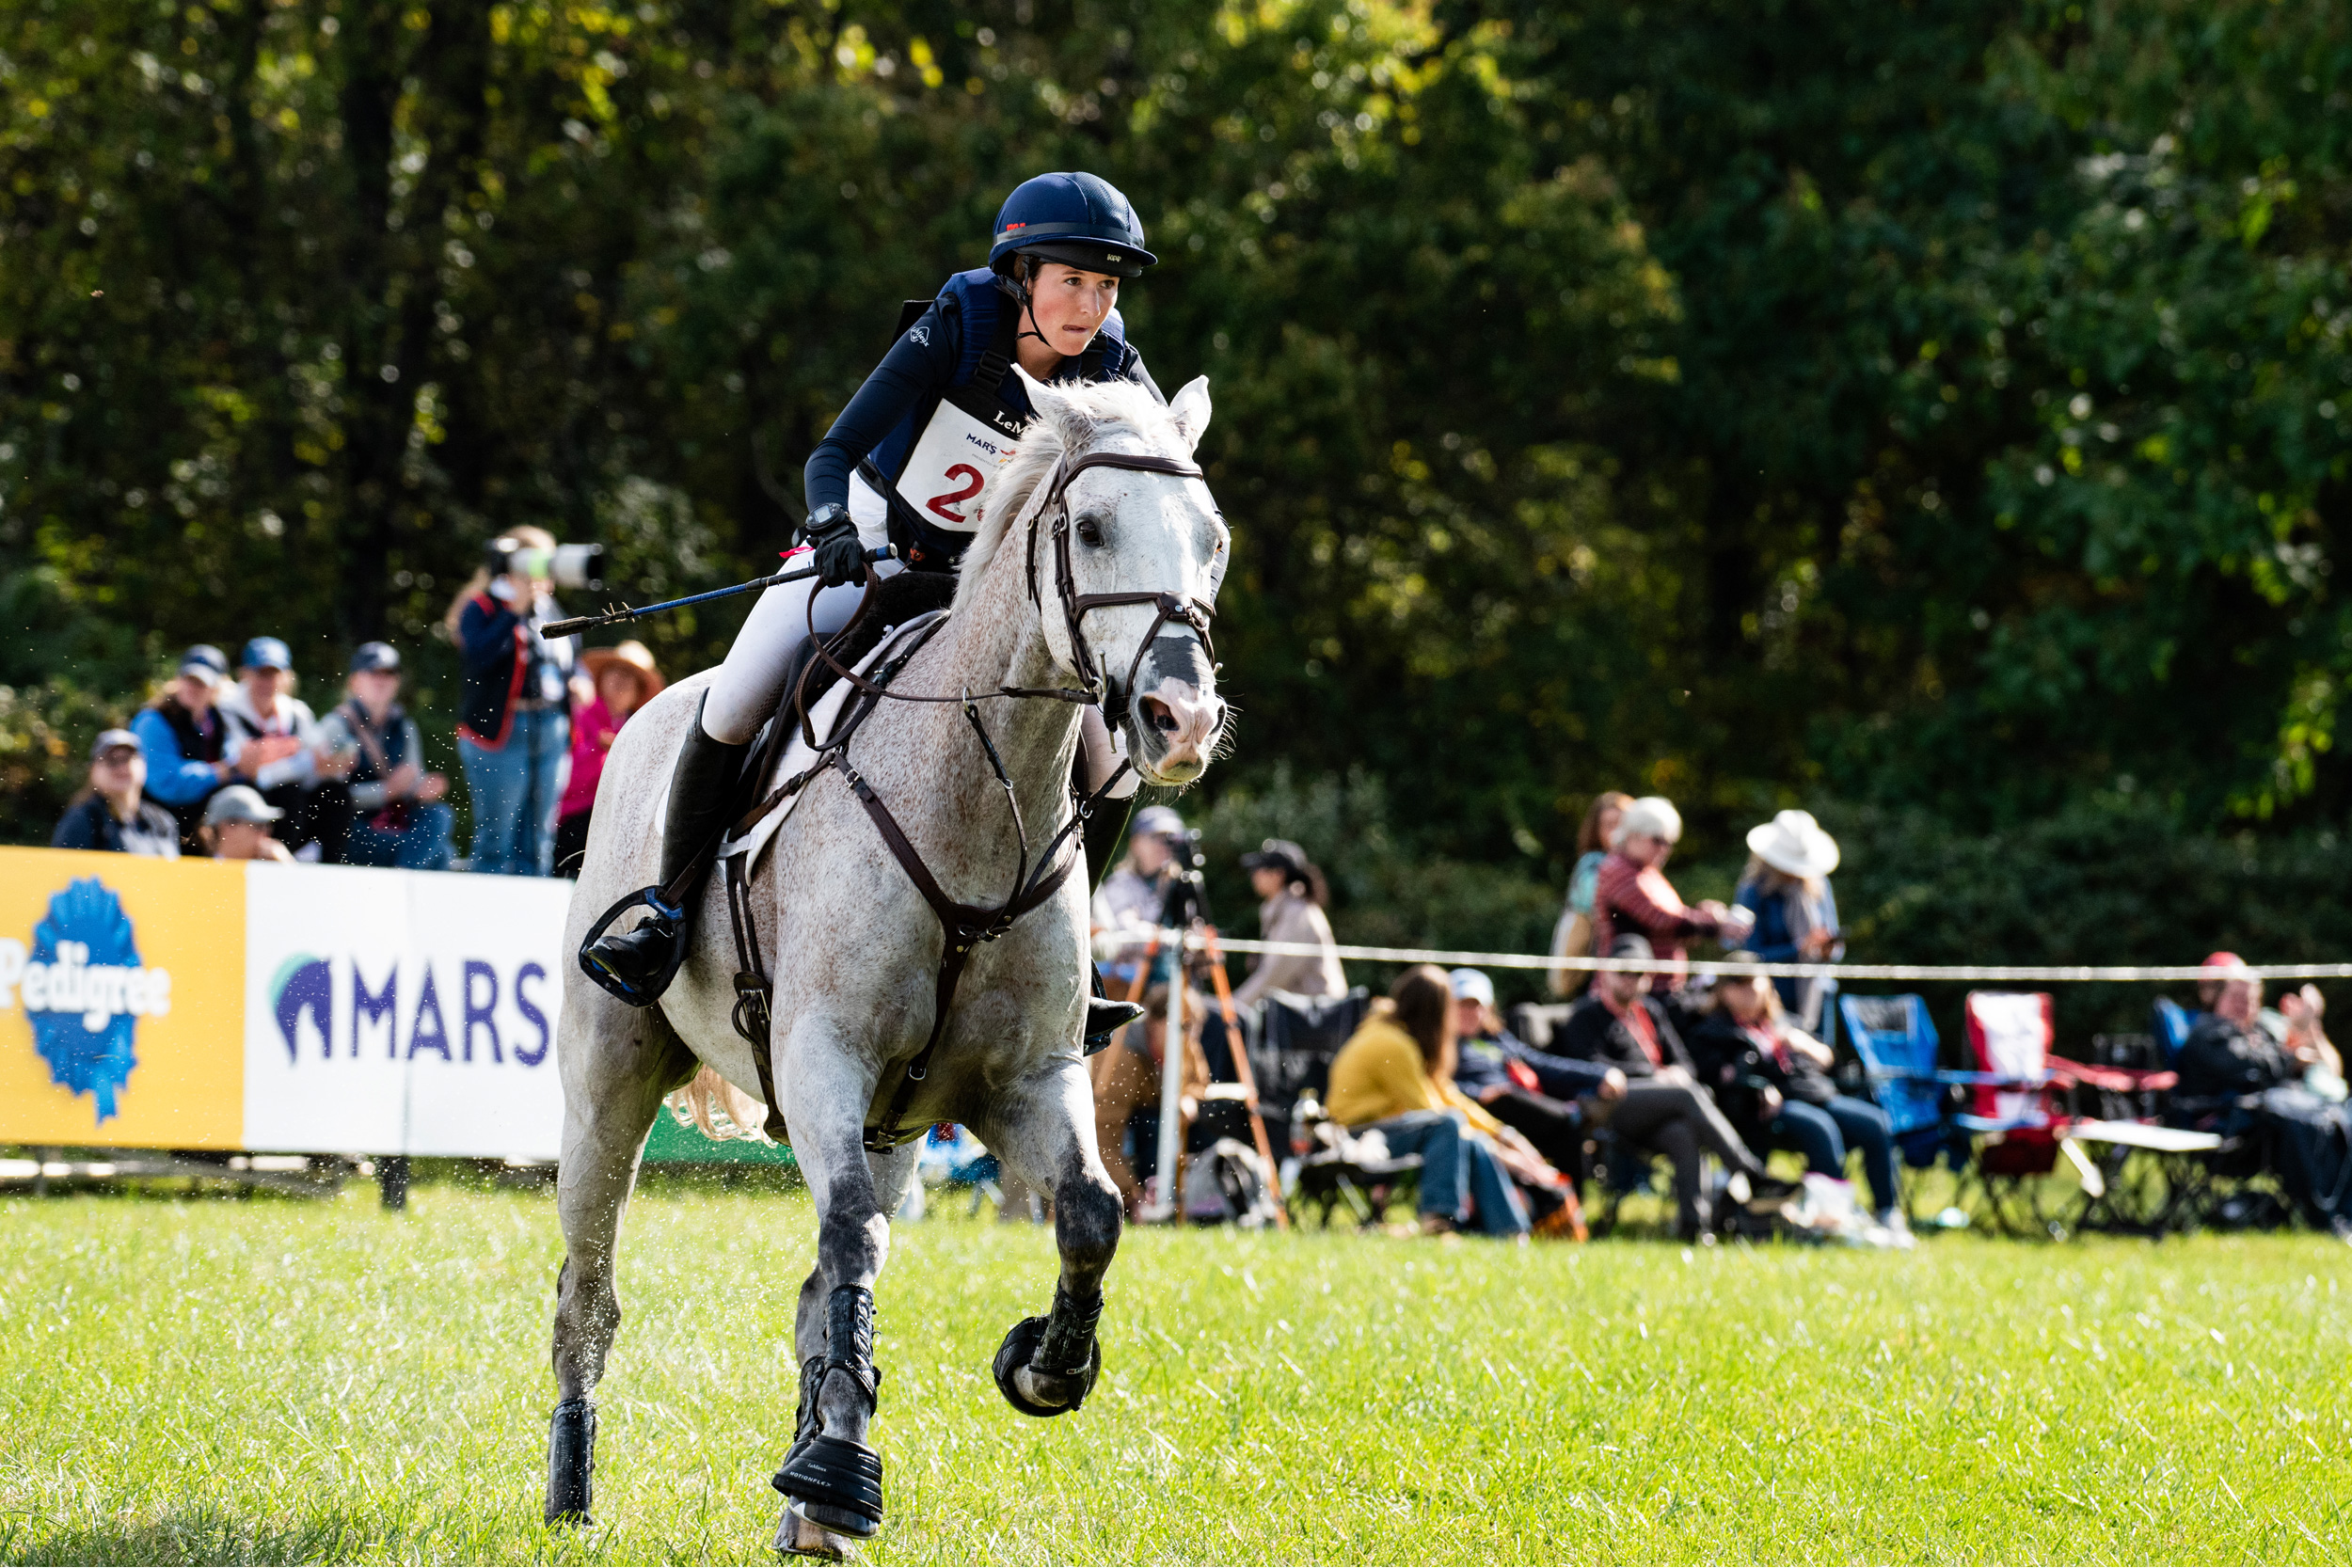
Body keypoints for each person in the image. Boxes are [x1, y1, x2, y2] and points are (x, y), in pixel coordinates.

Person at [581, 171, 1170, 1047]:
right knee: (738, 695)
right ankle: (665, 912)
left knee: (1117, 760)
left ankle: (1068, 966)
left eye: (1106, 286)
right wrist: (829, 529)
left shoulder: (1113, 366)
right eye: (1073, 281)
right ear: (1021, 274)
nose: (1090, 306)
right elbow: (834, 452)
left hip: (992, 586)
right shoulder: (962, 323)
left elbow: (1158, 481)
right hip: (879, 535)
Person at [1557, 935, 1786, 1239]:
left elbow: (1685, 1064)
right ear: (1605, 973)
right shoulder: (1586, 1014)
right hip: (1608, 1107)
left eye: (1638, 973)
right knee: (1688, 1093)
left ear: (1648, 978)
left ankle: (1695, 1230)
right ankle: (1752, 1174)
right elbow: (1588, 1068)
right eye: (1622, 971)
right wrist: (1656, 1076)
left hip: (1657, 1111)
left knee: (1684, 1132)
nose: (1630, 979)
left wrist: (1672, 1073)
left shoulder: (1650, 1012)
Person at [1690, 963, 1904, 1236]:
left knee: (1876, 1122)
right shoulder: (1716, 1030)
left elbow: (1829, 1060)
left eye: (1752, 983)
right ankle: (1831, 1218)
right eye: (1737, 984)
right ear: (1724, 991)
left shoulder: (1784, 1021)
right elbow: (1716, 1074)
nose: (1747, 992)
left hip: (1820, 1094)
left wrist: (1804, 1044)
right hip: (1771, 1107)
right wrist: (1758, 1086)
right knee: (1820, 1127)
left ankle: (1887, 1212)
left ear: (1767, 985)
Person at [1325, 965, 1537, 1237]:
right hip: (1355, 1137)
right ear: (1434, 1012)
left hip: (1380, 1131)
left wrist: (1503, 1134)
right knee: (1448, 1125)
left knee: (1473, 1141)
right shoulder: (1392, 1044)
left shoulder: (1398, 1035)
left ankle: (1511, 1232)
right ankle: (1438, 1221)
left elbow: (1447, 1095)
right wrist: (1506, 1156)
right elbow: (1433, 1112)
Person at [2174, 963, 2352, 1232]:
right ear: (2217, 999)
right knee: (2302, 1123)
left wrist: (2309, 1027)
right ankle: (2323, 1215)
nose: (2244, 1005)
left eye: (2251, 999)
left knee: (2338, 1115)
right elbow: (2246, 1067)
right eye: (2236, 997)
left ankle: (2344, 1208)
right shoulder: (2208, 1034)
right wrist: (2289, 1060)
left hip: (2268, 1114)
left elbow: (2326, 1068)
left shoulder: (2261, 1032)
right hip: (2232, 1126)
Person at [449, 528, 578, 876]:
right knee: (496, 839)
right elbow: (479, 656)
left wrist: (578, 679)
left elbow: (565, 656)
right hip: (501, 733)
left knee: (539, 840)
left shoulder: (549, 607)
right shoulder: (484, 605)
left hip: (551, 726)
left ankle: (531, 921)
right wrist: (514, 611)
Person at [1447, 967, 1621, 1184]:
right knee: (1563, 1118)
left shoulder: (1498, 1039)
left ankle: (1567, 1205)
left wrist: (1599, 1076)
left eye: (1476, 1005)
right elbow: (1437, 1086)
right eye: (1462, 1004)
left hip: (1518, 1105)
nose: (1469, 1012)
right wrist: (1478, 1094)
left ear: (1488, 1008)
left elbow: (1542, 1064)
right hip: (1477, 1111)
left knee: (1570, 1124)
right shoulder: (1441, 1045)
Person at [1591, 795, 1753, 995]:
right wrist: (1715, 925)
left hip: (1657, 988)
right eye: (1658, 840)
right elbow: (1661, 919)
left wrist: (1705, 916)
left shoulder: (1648, 873)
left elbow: (1676, 927)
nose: (1665, 849)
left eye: (1669, 842)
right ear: (1634, 835)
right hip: (1625, 992)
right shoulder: (1617, 869)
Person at [317, 642, 455, 871]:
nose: (381, 680)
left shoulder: (405, 727)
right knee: (441, 853)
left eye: (389, 673)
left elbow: (410, 785)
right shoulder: (336, 726)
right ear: (354, 681)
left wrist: (422, 791)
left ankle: (404, 873)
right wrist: (385, 791)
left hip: (393, 823)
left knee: (440, 815)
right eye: (373, 673)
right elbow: (330, 801)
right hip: (352, 829)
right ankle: (404, 879)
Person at [217, 636, 351, 863]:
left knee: (334, 795)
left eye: (274, 674)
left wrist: (324, 761)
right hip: (245, 802)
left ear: (287, 678)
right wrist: (302, 760)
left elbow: (323, 762)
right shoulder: (227, 710)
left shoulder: (297, 713)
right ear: (245, 675)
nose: (267, 683)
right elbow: (251, 770)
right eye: (261, 673)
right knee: (282, 793)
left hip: (291, 807)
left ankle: (331, 868)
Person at [1088, 981, 1215, 1214]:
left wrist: (1188, 1098)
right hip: (1117, 1151)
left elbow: (1199, 1081)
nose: (1192, 1038)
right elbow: (1101, 1136)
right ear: (1157, 1022)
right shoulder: (1120, 1059)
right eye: (1186, 1028)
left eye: (1195, 1029)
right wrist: (1132, 1197)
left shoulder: (1183, 1044)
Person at [555, 640, 665, 877]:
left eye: (630, 676)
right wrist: (604, 751)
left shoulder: (639, 730)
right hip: (571, 824)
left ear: (638, 691)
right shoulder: (579, 714)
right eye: (616, 671)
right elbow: (566, 782)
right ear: (602, 678)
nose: (621, 680)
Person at [1733, 809, 1845, 1034]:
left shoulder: (1820, 887)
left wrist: (1826, 948)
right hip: (1772, 999)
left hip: (1817, 993)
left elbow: (1835, 945)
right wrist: (1799, 947)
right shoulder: (1753, 892)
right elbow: (1751, 957)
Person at [131, 644, 233, 852]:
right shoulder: (153, 720)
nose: (192, 687)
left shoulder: (219, 721)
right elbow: (165, 782)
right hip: (156, 828)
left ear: (216, 689)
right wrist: (220, 772)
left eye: (201, 683)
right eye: (189, 679)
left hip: (200, 827)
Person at [1232, 838, 1347, 1008]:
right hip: (1303, 1011)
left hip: (1319, 1015)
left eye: (1259, 869)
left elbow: (1275, 975)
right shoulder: (1285, 908)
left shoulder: (1298, 913)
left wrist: (1233, 1006)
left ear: (1278, 874)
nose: (1253, 875)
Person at [1090, 804, 1190, 995]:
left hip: (1173, 984)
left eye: (1170, 839)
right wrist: (1165, 936)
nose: (1164, 845)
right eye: (1156, 837)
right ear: (1136, 843)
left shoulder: (1179, 884)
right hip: (1132, 987)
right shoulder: (1121, 884)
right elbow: (1124, 929)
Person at [1549, 790, 1631, 995]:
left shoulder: (1639, 867)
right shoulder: (1593, 863)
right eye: (1609, 825)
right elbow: (1597, 907)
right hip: (1594, 952)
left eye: (1621, 824)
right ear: (1597, 830)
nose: (1616, 832)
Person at [51, 729, 181, 858]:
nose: (121, 768)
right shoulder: (83, 820)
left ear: (144, 765)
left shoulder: (162, 820)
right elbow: (65, 873)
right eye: (111, 760)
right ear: (93, 769)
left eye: (127, 759)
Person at [200, 784, 295, 863]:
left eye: (267, 826)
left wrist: (287, 866)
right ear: (229, 827)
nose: (266, 834)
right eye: (258, 826)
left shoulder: (267, 872)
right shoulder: (199, 876)